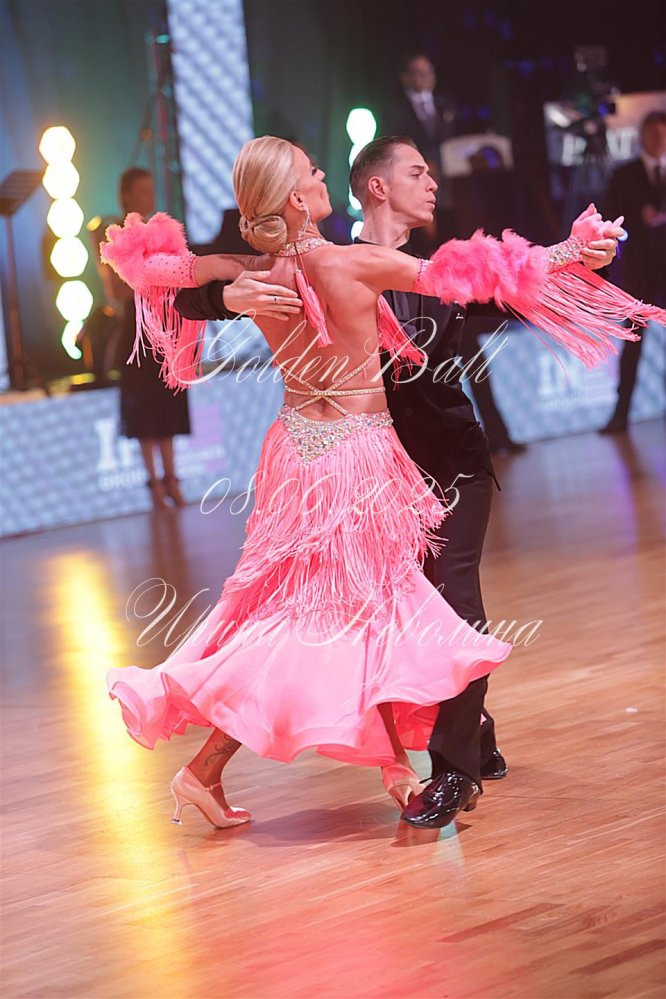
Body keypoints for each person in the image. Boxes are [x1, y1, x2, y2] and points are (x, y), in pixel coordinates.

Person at [101, 136, 660, 833]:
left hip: (293, 455)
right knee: (357, 614)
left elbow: (142, 267)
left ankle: (369, 764)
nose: (322, 174)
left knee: (332, 614)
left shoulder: (250, 270)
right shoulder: (355, 263)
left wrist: (220, 293)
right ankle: (378, 764)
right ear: (296, 197)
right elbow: (481, 276)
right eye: (312, 170)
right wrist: (572, 250)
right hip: (357, 459)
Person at [600, 110, 666, 435]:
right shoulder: (624, 175)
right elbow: (611, 219)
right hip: (640, 274)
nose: (659, 140)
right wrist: (639, 217)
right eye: (653, 134)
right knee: (634, 341)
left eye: (663, 134)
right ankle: (620, 414)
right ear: (642, 137)